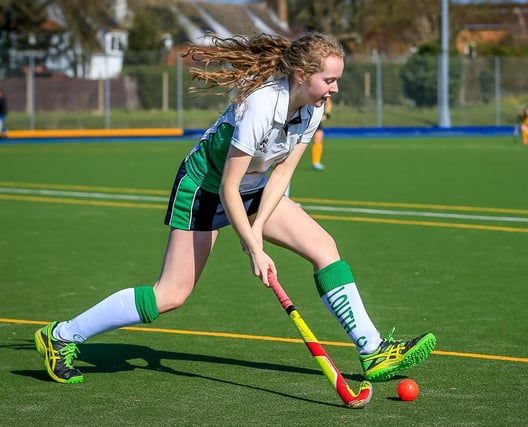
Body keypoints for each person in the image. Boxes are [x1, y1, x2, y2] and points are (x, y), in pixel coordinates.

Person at [34, 32, 436, 385]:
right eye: (328, 80)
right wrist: (253, 246)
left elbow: (280, 177)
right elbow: (228, 186)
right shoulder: (262, 106)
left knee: (324, 248)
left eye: (336, 80)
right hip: (207, 187)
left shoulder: (311, 111)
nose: (334, 89)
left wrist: (257, 230)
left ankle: (372, 349)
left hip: (257, 187)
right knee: (170, 295)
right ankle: (62, 336)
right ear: (301, 75)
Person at [311, 96, 331, 170]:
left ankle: (316, 162)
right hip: (301, 117)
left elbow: (328, 103)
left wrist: (326, 114)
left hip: (315, 119)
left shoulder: (321, 91)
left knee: (318, 137)